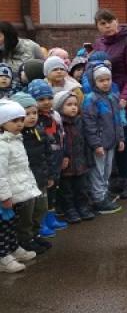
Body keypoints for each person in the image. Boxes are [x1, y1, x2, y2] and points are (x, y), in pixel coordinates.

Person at [93, 9, 127, 200]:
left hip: (126, 95)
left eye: (109, 22)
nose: (107, 26)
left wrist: (124, 96)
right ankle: (117, 177)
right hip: (106, 94)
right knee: (112, 136)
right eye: (102, 23)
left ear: (117, 22)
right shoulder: (99, 43)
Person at [0, 99, 41, 273]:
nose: (19, 124)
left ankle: (13, 248)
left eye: (20, 120)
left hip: (16, 192)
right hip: (5, 196)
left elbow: (22, 168)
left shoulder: (16, 140)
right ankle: (3, 257)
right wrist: (5, 196)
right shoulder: (2, 145)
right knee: (3, 226)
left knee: (12, 223)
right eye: (14, 121)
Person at [10, 92, 53, 254]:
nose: (31, 117)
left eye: (34, 113)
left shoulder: (39, 131)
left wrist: (50, 175)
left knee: (41, 208)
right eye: (26, 114)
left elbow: (48, 154)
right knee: (26, 213)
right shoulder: (15, 137)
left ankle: (34, 234)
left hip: (40, 178)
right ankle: (25, 239)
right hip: (25, 182)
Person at [81, 66, 124, 215]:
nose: (105, 83)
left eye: (108, 79)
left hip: (111, 142)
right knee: (97, 172)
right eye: (101, 80)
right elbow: (89, 123)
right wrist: (96, 144)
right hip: (99, 144)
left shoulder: (112, 97)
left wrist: (120, 138)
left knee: (107, 171)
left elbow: (118, 120)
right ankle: (98, 199)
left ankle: (103, 194)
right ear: (94, 82)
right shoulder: (91, 99)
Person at [27, 79, 66, 236]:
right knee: (43, 191)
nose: (46, 102)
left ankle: (51, 217)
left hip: (57, 155)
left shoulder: (55, 114)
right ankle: (41, 221)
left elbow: (62, 134)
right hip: (43, 159)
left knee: (54, 187)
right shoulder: (34, 119)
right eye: (41, 99)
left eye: (49, 98)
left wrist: (65, 154)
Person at [53, 91, 95, 224]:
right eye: (69, 104)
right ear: (60, 107)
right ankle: (69, 210)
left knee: (81, 187)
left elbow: (85, 140)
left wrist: (88, 158)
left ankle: (82, 207)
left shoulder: (79, 121)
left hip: (80, 162)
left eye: (75, 104)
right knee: (67, 190)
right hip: (66, 165)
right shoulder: (58, 124)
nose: (73, 107)